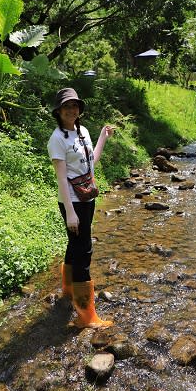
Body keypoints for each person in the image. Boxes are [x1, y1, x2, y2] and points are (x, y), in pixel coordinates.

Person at [47, 87, 114, 329]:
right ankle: (87, 315)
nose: (71, 110)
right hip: (72, 202)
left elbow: (91, 162)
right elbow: (62, 178)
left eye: (75, 105)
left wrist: (103, 137)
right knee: (84, 250)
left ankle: (67, 289)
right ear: (59, 111)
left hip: (87, 198)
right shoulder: (56, 139)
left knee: (74, 245)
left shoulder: (82, 131)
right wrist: (71, 213)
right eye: (67, 106)